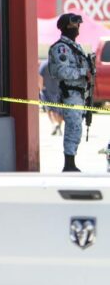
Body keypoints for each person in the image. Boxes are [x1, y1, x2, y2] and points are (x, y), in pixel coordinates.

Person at [48, 13, 92, 172]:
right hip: (70, 93)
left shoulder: (76, 47)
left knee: (76, 127)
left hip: (79, 94)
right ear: (67, 27)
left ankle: (71, 161)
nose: (78, 29)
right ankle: (69, 164)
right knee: (73, 127)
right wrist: (82, 72)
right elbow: (62, 72)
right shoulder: (61, 48)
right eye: (75, 26)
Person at [38, 59, 64, 136]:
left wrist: (41, 88)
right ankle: (58, 126)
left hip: (47, 91)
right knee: (59, 110)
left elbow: (40, 77)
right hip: (58, 90)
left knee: (50, 109)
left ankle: (55, 124)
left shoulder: (44, 65)